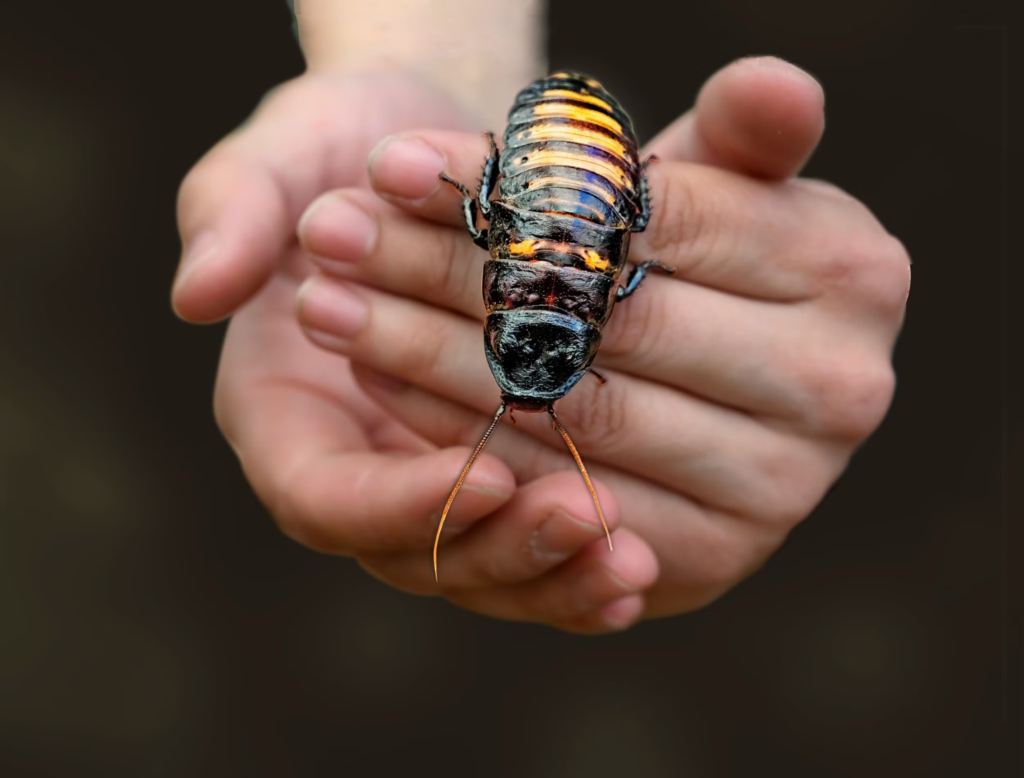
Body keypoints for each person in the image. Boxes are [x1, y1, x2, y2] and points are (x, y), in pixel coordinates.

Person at [171, 0, 910, 634]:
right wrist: (433, 70)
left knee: (554, 225)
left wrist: (438, 73)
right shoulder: (547, 287)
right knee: (533, 227)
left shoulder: (594, 296)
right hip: (565, 173)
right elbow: (519, 231)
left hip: (559, 172)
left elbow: (582, 255)